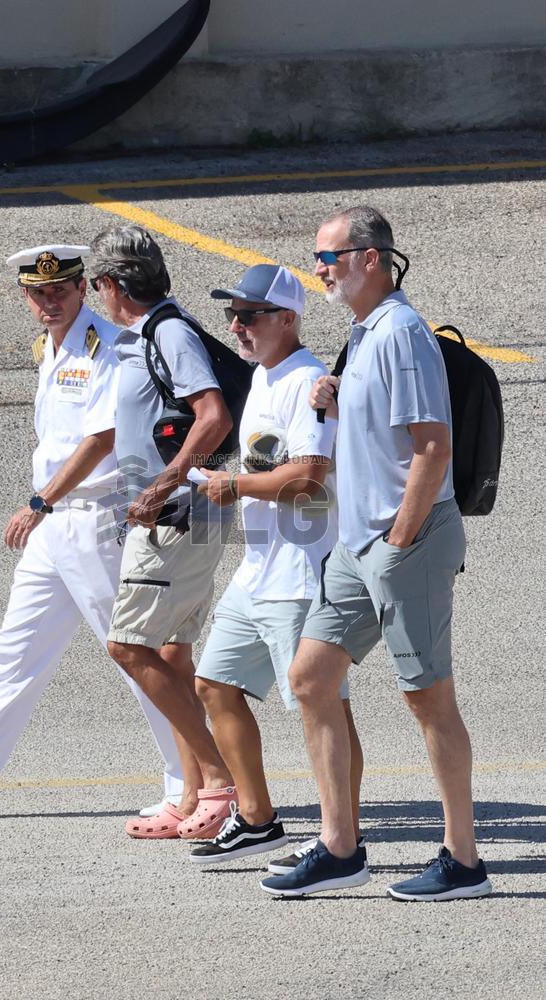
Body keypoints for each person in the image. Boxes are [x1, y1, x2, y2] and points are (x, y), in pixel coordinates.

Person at [0, 244, 182, 817]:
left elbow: (101, 438)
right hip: (56, 528)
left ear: (80, 289)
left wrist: (38, 501)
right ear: (25, 296)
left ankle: (188, 780)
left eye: (59, 291)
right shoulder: (48, 348)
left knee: (135, 655)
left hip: (94, 519)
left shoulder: (105, 347)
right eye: (37, 293)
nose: (49, 302)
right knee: (14, 652)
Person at [261, 206, 492, 900]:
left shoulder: (402, 334)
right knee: (310, 678)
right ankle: (340, 848)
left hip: (404, 541)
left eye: (328, 257)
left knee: (428, 700)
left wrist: (398, 542)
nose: (320, 270)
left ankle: (464, 861)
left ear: (370, 258)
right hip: (356, 546)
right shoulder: (364, 337)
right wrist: (338, 392)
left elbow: (432, 447)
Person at [187, 264, 364, 868]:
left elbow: (310, 479)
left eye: (251, 314)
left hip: (301, 572)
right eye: (232, 314)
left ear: (288, 318)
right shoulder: (265, 377)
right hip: (260, 567)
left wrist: (235, 485)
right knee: (213, 685)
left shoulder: (306, 381)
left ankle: (344, 834)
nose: (237, 325)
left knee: (322, 704)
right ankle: (259, 820)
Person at [89, 225, 237, 841]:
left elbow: (213, 414)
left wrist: (163, 485)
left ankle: (221, 783)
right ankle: (191, 794)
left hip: (175, 515)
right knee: (172, 655)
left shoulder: (168, 334)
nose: (97, 293)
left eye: (97, 283)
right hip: (174, 513)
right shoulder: (151, 333)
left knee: (127, 646)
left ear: (114, 284)